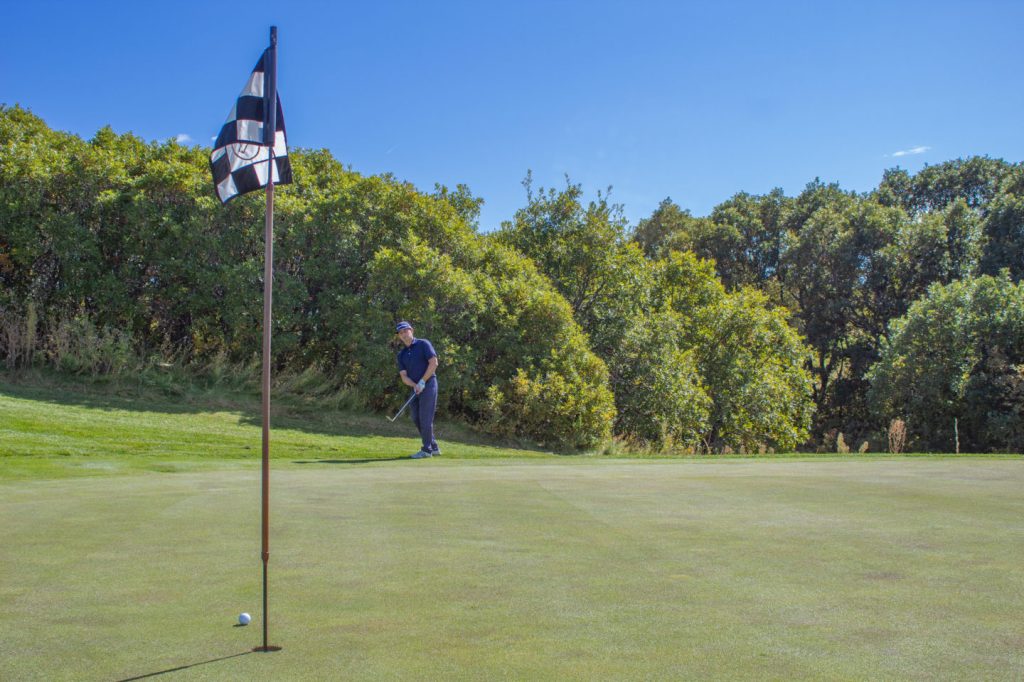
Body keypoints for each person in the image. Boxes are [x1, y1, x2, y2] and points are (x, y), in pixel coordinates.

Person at [395, 321, 440, 459]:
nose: (403, 334)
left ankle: (426, 450)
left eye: (405, 331)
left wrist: (422, 381)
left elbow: (434, 363)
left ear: (412, 330)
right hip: (416, 388)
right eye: (400, 333)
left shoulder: (423, 344)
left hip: (429, 384)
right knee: (416, 418)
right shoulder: (401, 354)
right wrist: (415, 385)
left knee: (425, 419)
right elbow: (404, 376)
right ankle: (434, 447)